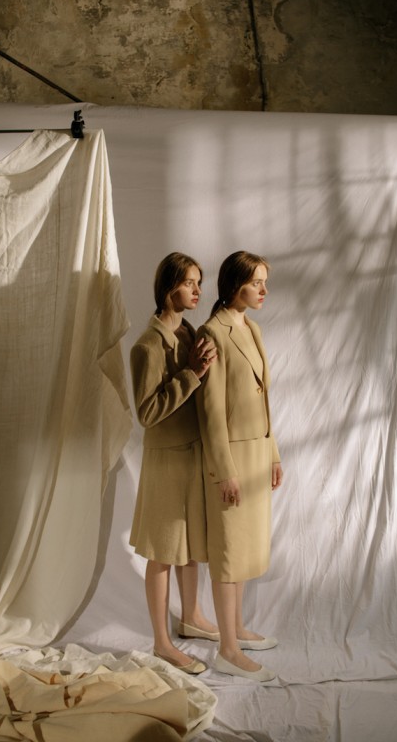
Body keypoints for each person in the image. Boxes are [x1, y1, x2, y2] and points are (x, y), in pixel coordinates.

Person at [195, 250, 283, 682]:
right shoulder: (213, 332)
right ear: (235, 285)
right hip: (231, 459)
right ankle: (227, 650)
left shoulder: (252, 327)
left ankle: (237, 629)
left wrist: (273, 453)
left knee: (245, 549)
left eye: (265, 281)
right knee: (229, 553)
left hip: (257, 456)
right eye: (256, 282)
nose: (264, 290)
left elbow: (263, 398)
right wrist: (223, 471)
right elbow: (211, 412)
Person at [129, 252, 218, 675]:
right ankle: (162, 643)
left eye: (199, 282)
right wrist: (192, 374)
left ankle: (192, 617)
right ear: (169, 289)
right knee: (163, 552)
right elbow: (147, 413)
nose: (198, 290)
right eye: (189, 283)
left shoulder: (189, 332)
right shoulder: (147, 346)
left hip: (193, 453)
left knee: (190, 545)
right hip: (166, 461)